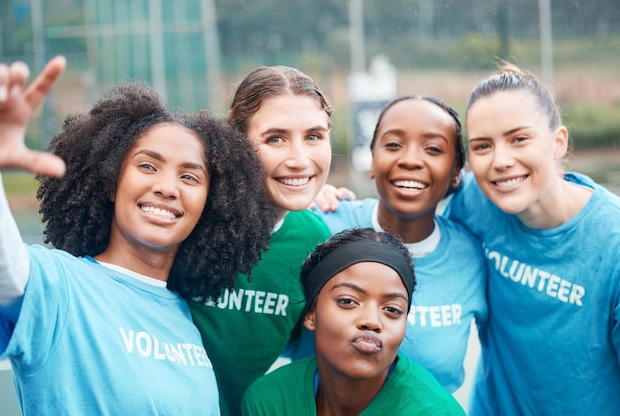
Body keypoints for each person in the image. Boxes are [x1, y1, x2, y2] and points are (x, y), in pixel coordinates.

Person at [0, 56, 275, 415]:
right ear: (112, 183)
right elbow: (3, 270)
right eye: (147, 166)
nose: (167, 188)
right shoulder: (61, 286)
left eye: (189, 177)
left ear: (210, 204)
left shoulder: (186, 318)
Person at [443, 63, 620, 415]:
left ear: (558, 142)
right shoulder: (473, 203)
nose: (501, 161)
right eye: (482, 146)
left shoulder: (611, 242)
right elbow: (404, 223)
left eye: (518, 139)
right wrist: (329, 200)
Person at [308, 95, 487, 393]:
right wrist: (304, 198)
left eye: (433, 149)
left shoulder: (472, 255)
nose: (410, 160)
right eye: (393, 145)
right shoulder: (323, 225)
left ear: (456, 173)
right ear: (373, 160)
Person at [187, 65, 333, 416]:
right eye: (275, 138)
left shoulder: (315, 240)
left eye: (314, 136)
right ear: (235, 145)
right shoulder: (189, 217)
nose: (300, 160)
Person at [241, 227, 466, 415]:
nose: (371, 321)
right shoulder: (270, 401)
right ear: (311, 314)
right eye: (348, 301)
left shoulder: (435, 411)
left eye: (391, 309)